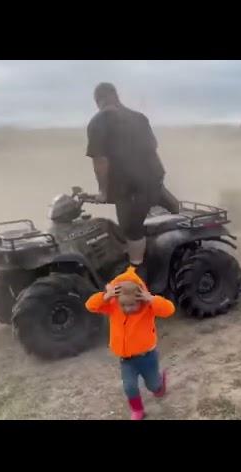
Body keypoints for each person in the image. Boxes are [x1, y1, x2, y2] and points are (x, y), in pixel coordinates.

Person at [85, 82, 180, 278]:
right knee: (171, 207)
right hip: (153, 179)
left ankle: (137, 274)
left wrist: (103, 192)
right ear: (116, 96)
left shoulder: (98, 122)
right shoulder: (139, 117)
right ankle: (178, 222)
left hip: (129, 187)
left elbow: (100, 161)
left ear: (98, 101)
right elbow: (153, 145)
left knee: (131, 230)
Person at [85, 266, 176, 420]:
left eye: (132, 304)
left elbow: (169, 310)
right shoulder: (113, 307)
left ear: (140, 299)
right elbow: (90, 305)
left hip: (147, 357)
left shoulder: (148, 307)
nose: (127, 308)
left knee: (153, 386)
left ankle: (159, 385)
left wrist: (151, 299)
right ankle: (137, 410)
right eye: (124, 305)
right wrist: (106, 296)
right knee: (129, 387)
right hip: (126, 360)